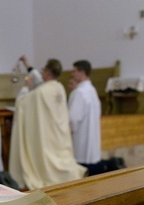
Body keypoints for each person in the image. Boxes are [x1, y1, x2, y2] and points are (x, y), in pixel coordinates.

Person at [9, 58, 87, 190]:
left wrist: (25, 88)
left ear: (48, 73)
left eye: (44, 70)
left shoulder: (40, 92)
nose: (42, 73)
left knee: (45, 163)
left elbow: (21, 103)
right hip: (59, 135)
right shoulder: (60, 87)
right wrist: (28, 64)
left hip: (46, 136)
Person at [69, 60, 124, 175]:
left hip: (81, 142)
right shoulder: (92, 90)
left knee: (83, 169)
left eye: (74, 71)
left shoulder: (79, 92)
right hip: (92, 141)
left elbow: (73, 119)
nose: (72, 74)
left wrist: (68, 133)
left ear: (82, 72)